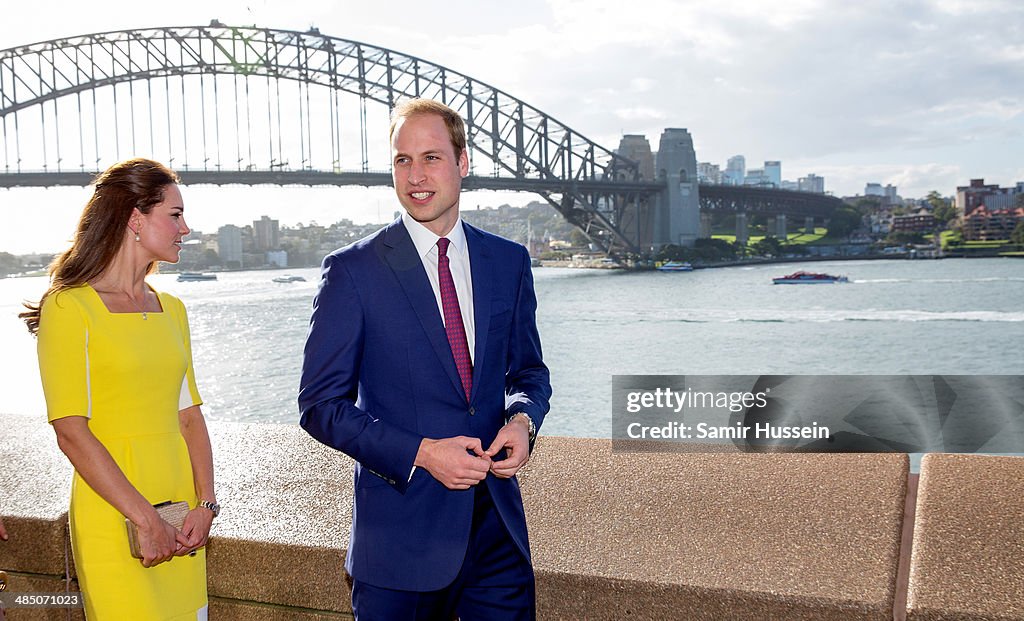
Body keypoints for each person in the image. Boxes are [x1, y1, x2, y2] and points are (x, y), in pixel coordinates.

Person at [299, 98, 551, 620]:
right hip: (399, 547)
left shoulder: (507, 261)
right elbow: (321, 405)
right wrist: (421, 452)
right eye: (402, 160)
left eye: (431, 158)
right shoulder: (353, 271)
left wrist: (524, 419)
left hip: (498, 539)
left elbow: (527, 371)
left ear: (462, 163)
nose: (415, 175)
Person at [21, 158, 218, 620]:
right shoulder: (69, 308)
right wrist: (145, 519)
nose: (185, 228)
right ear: (134, 217)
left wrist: (205, 505)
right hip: (115, 514)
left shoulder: (172, 309)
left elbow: (189, 415)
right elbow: (71, 431)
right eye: (174, 215)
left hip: (180, 514)